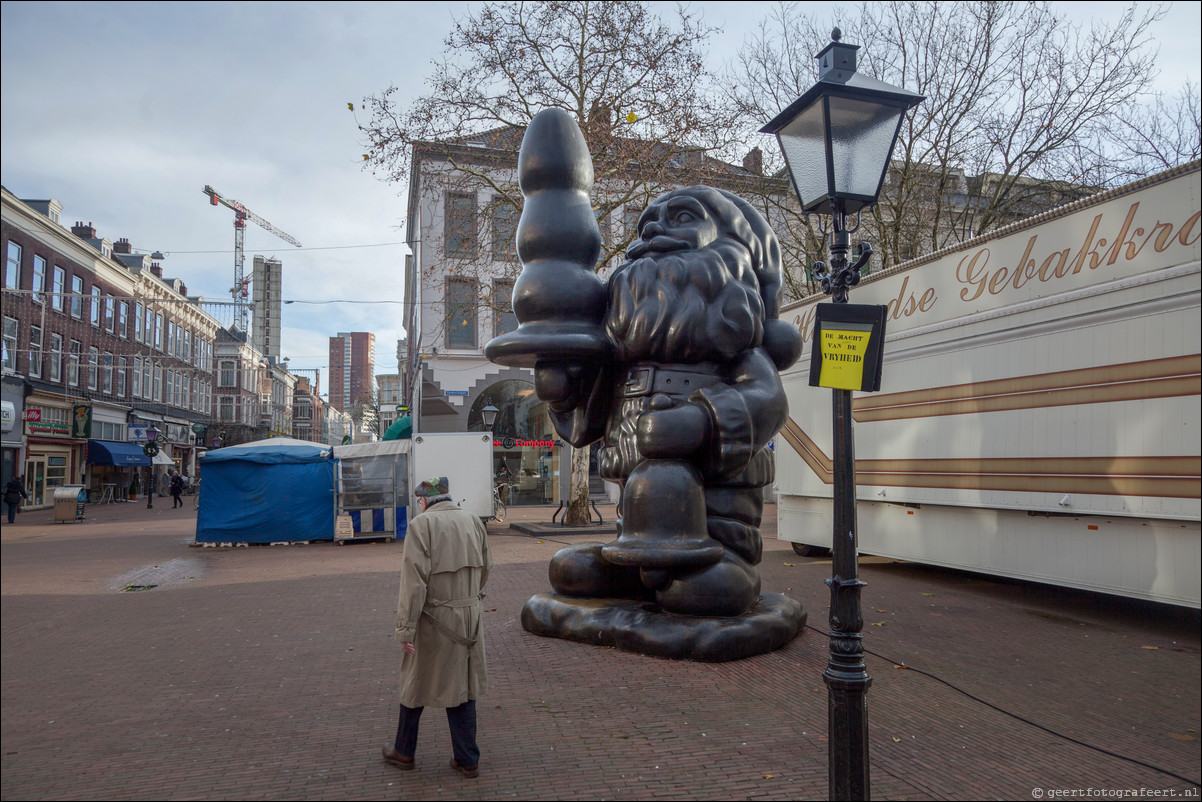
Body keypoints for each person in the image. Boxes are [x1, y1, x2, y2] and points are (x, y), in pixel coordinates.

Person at [383, 475, 492, 778]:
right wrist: (469, 597)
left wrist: (405, 630)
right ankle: (467, 758)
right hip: (469, 617)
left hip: (435, 619)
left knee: (414, 683)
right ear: (447, 496)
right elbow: (487, 567)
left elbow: (413, 584)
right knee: (462, 685)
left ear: (423, 501)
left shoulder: (421, 526)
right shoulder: (473, 520)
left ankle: (404, 752)